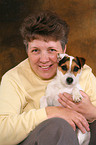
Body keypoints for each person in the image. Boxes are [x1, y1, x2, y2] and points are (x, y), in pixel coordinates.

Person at [0, 10, 96, 145]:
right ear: (26, 51)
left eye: (51, 50)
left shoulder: (83, 72)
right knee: (58, 126)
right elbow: (2, 132)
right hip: (39, 139)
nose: (44, 59)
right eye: (35, 50)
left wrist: (92, 112)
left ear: (63, 50)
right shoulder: (13, 78)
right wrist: (49, 112)